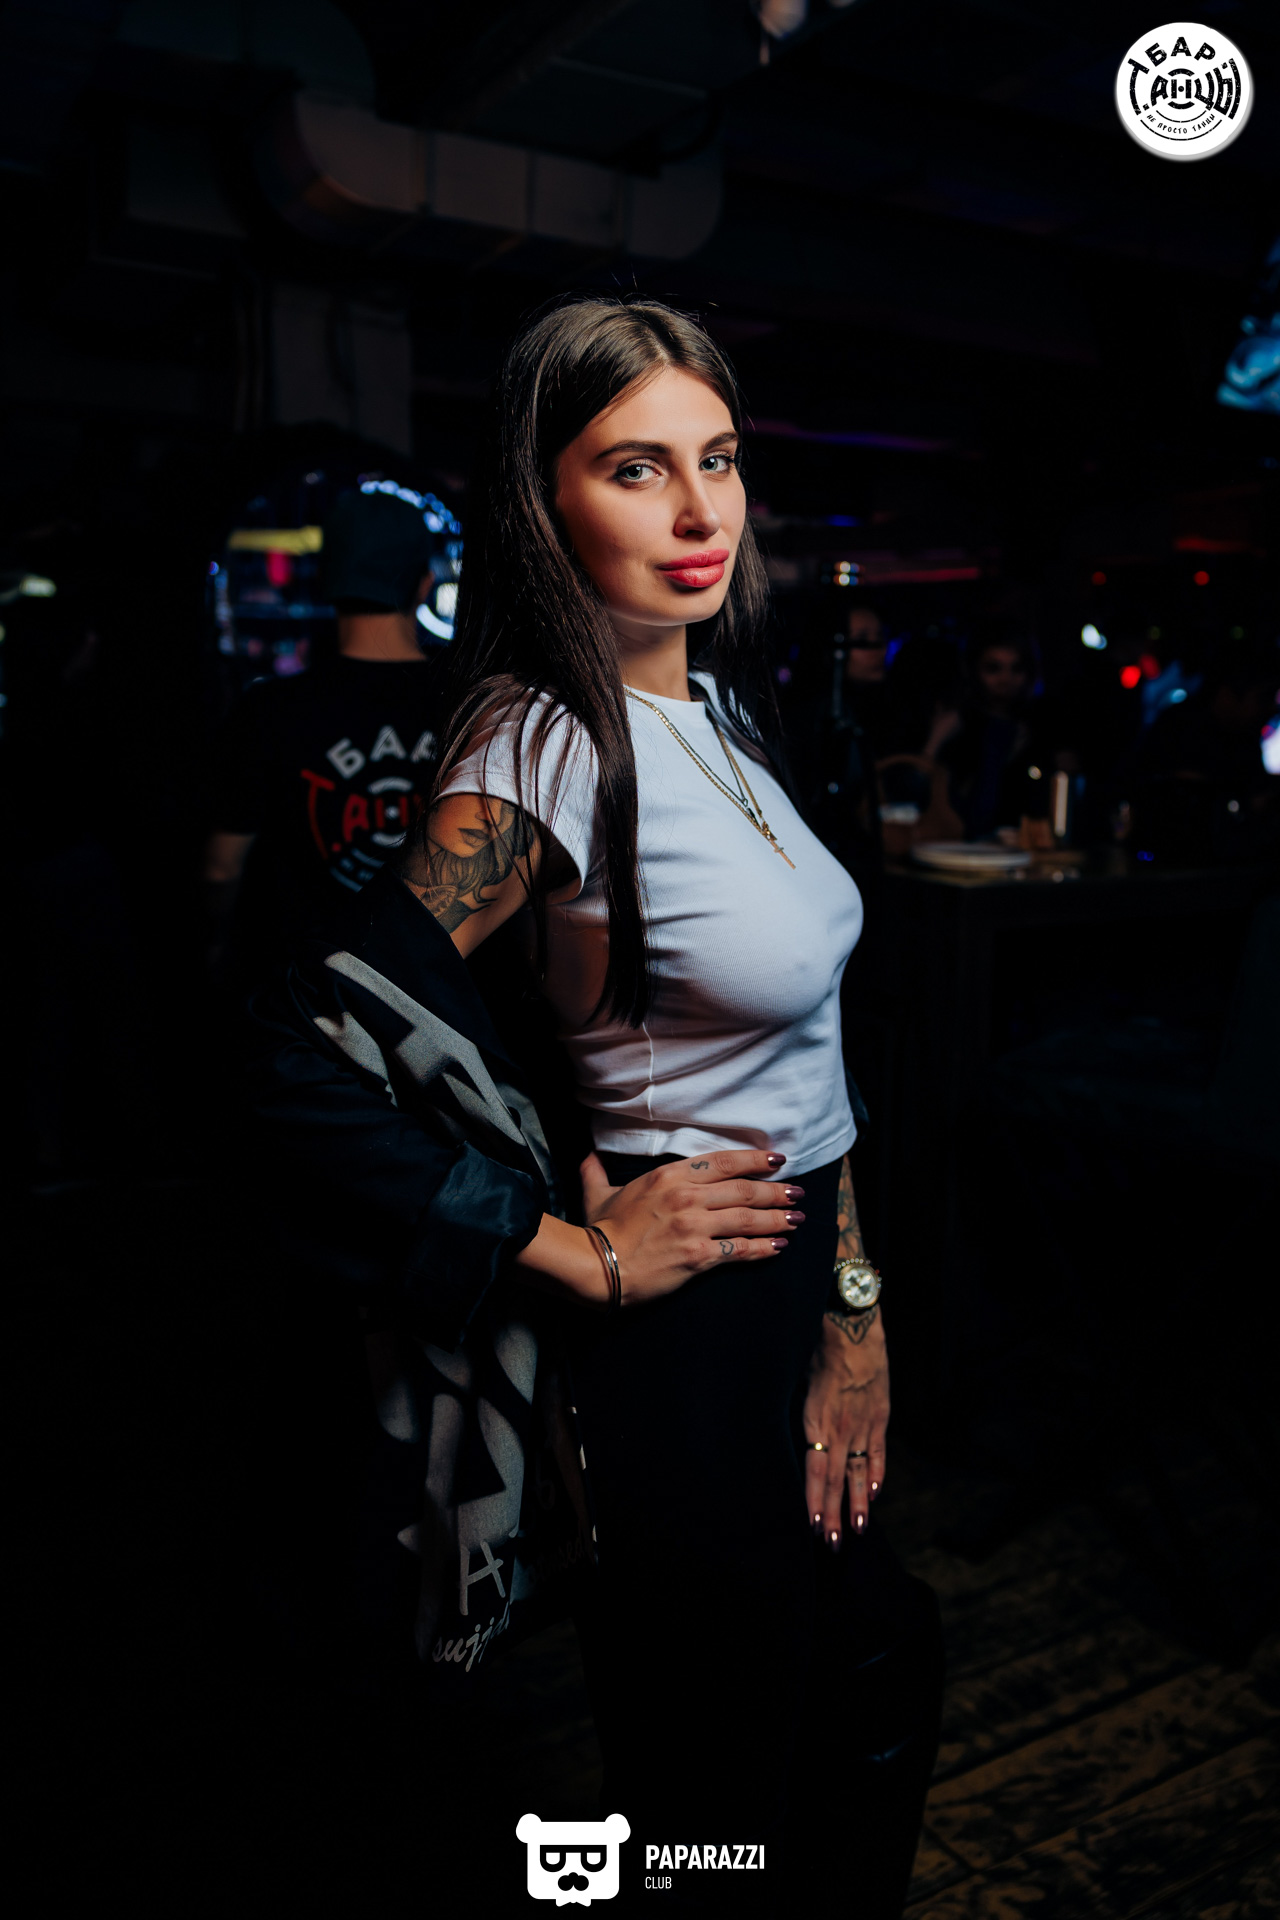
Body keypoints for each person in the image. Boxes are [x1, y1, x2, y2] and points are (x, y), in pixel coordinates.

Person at [246, 298, 940, 1914]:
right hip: (680, 1320)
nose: (699, 512)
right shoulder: (544, 741)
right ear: (542, 500)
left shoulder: (719, 716)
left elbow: (808, 1050)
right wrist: (569, 1247)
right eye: (638, 468)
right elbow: (296, 1044)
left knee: (858, 1671)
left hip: (788, 1285)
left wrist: (851, 1310)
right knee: (715, 1774)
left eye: (720, 459)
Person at [203, 488, 447, 985]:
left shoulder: (268, 710)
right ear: (425, 584)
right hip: (433, 995)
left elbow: (221, 869)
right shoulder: (473, 706)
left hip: (304, 999)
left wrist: (212, 945)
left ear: (325, 582)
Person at [935, 623, 1049, 839]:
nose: (1006, 679)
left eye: (1016, 668)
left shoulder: (1041, 726)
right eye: (993, 668)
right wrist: (936, 739)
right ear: (973, 670)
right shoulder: (958, 725)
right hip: (960, 845)